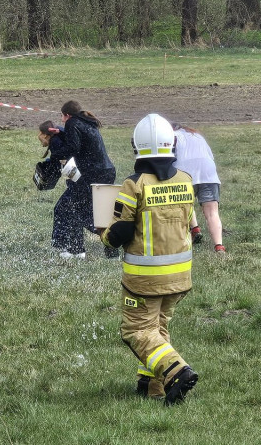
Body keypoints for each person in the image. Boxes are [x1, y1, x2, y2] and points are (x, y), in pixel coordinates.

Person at [101, 114, 199, 405]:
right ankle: (152, 386)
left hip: (145, 278)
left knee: (136, 329)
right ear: (172, 144)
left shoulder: (135, 184)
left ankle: (177, 372)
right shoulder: (186, 180)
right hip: (180, 276)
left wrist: (104, 236)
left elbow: (120, 231)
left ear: (137, 146)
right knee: (157, 327)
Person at [51, 100, 118, 259]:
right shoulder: (88, 122)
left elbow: (73, 147)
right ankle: (112, 248)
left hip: (91, 174)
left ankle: (75, 250)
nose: (62, 120)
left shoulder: (72, 123)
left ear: (67, 115)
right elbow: (82, 141)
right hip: (106, 172)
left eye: (62, 116)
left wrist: (55, 156)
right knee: (98, 213)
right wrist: (62, 133)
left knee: (70, 207)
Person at [172, 123, 225, 253]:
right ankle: (219, 246)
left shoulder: (171, 136)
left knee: (185, 205)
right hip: (208, 173)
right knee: (212, 212)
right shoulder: (197, 135)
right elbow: (210, 156)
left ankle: (192, 232)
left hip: (184, 173)